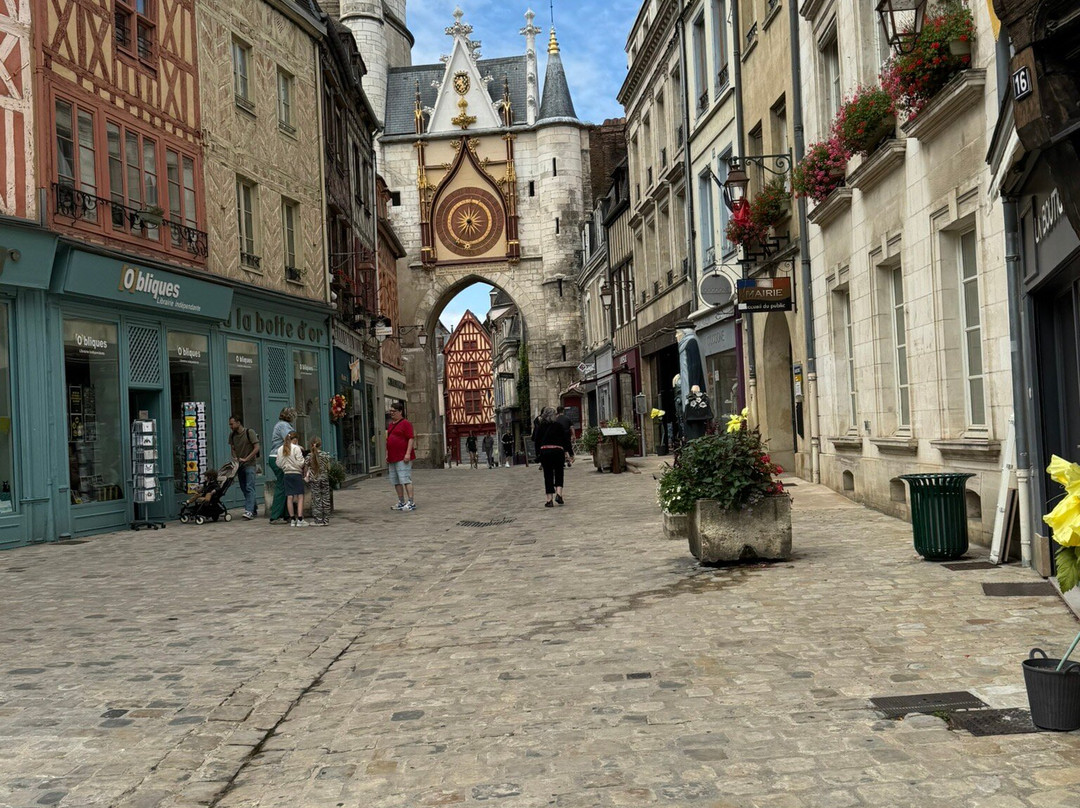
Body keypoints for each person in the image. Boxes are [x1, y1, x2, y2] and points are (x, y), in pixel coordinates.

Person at [532, 406, 574, 508]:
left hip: (545, 452)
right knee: (559, 472)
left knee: (548, 475)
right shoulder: (559, 426)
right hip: (558, 451)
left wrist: (538, 453)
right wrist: (570, 453)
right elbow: (566, 440)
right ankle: (559, 494)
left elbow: (536, 440)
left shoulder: (541, 427)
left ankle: (549, 500)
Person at [228, 415, 260, 520]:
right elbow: (232, 448)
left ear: (238, 423)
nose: (230, 426)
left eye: (232, 424)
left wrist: (247, 458)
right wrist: (235, 458)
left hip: (250, 464)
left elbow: (256, 448)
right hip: (239, 465)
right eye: (230, 424)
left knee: (249, 487)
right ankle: (253, 508)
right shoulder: (232, 435)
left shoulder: (249, 432)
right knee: (243, 487)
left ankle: (249, 511)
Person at [267, 407, 296, 524]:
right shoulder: (284, 426)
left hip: (277, 457)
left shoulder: (281, 424)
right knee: (282, 485)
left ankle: (286, 513)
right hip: (278, 457)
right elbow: (289, 440)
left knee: (285, 484)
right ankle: (275, 514)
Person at [386, 402, 416, 511]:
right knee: (396, 480)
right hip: (392, 457)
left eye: (394, 411)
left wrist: (407, 453)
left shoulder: (406, 424)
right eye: (391, 411)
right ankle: (401, 501)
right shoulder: (390, 425)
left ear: (400, 412)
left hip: (402, 457)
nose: (392, 413)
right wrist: (387, 454)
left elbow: (410, 438)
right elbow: (388, 441)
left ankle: (411, 502)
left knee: (405, 479)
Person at [276, 430, 307, 527]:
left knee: (289, 497)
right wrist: (299, 465)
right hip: (296, 473)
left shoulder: (280, 449)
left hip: (287, 474)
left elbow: (278, 463)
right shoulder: (296, 448)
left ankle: (292, 519)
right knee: (300, 496)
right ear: (295, 439)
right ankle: (300, 519)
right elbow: (301, 462)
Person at [306, 436, 333, 526]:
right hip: (324, 479)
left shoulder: (309, 456)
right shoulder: (325, 455)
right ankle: (326, 520)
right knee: (326, 498)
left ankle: (318, 520)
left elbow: (306, 467)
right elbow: (329, 467)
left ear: (310, 445)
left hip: (314, 479)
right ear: (320, 444)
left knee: (316, 499)